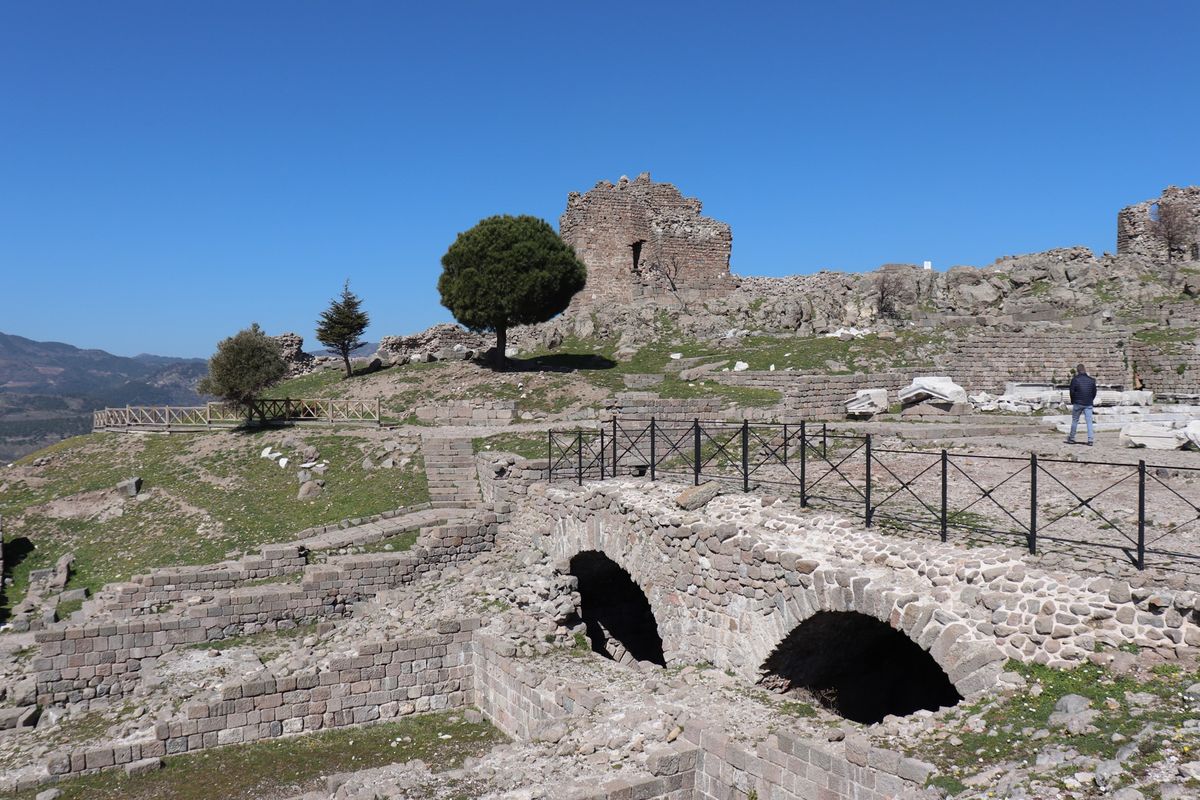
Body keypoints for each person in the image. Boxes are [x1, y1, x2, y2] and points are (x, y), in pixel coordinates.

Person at [1066, 363, 1097, 446]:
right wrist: (1091, 400)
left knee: (1075, 420)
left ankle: (1072, 438)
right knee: (1089, 421)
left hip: (1078, 402)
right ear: (1085, 370)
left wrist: (1073, 400)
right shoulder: (1091, 380)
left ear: (1077, 371)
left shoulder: (1075, 380)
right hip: (1088, 403)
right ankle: (1090, 439)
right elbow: (1094, 392)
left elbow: (1071, 392)